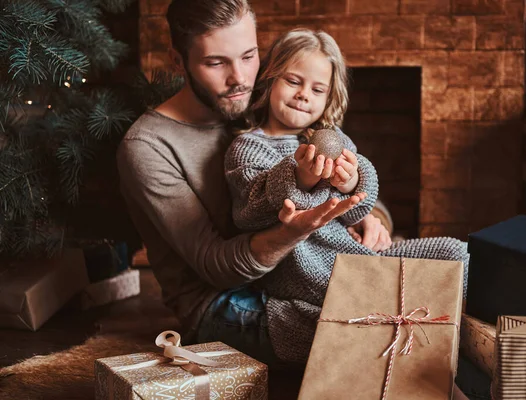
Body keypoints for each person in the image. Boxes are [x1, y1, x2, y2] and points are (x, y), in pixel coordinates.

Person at [116, 0, 487, 397]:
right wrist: (292, 231)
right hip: (225, 300)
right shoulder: (148, 146)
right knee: (381, 328)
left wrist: (369, 216)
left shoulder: (258, 107)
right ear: (178, 61)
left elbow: (352, 191)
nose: (239, 77)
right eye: (215, 63)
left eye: (249, 55)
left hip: (318, 268)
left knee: (436, 282)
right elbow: (216, 267)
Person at [224, 28, 470, 363]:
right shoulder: (248, 146)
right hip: (305, 271)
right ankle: (417, 333)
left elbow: (356, 210)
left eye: (317, 88)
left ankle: (464, 338)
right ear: (269, 80)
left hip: (355, 258)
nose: (303, 95)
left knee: (457, 254)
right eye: (293, 81)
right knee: (366, 322)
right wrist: (301, 178)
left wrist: (352, 181)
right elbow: (249, 212)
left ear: (329, 97)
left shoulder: (333, 138)